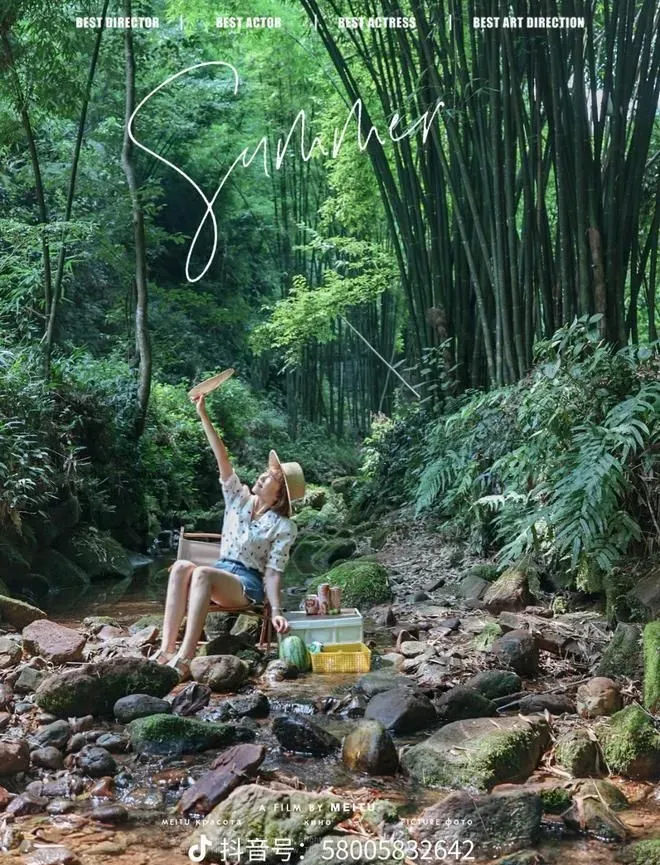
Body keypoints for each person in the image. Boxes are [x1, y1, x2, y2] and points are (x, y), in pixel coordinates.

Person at [152, 392, 304, 679]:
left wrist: (278, 609)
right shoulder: (237, 499)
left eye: (270, 476)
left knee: (202, 574)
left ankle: (185, 658)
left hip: (246, 583)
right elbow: (221, 456)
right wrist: (203, 414)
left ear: (280, 493)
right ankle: (166, 650)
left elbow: (273, 573)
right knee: (182, 566)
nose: (262, 475)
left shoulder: (283, 527)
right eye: (266, 471)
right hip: (221, 570)